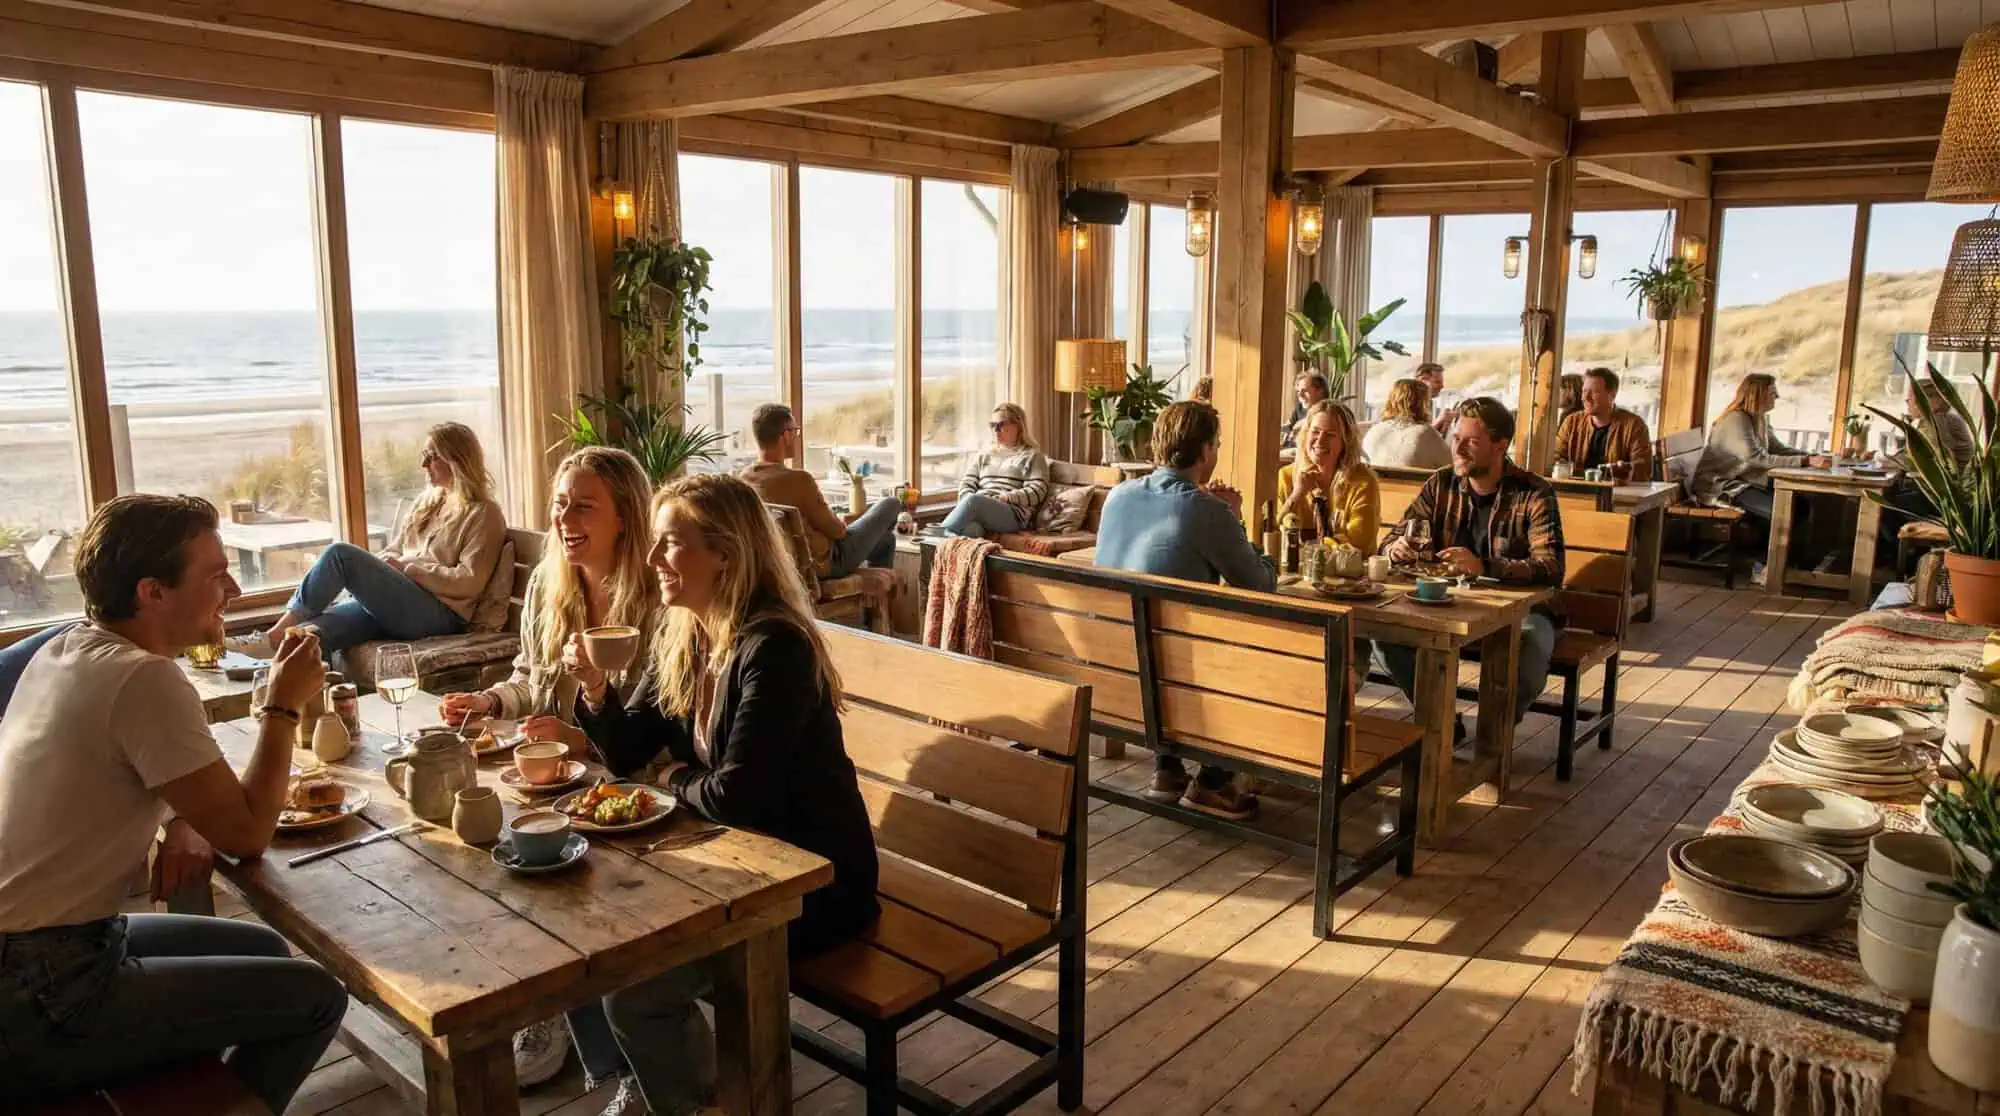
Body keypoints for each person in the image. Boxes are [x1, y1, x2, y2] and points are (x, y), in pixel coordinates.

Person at [0, 494, 345, 1111]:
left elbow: (137, 776)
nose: (234, 588)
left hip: (48, 950)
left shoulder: (66, 648)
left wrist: (183, 818)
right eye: (215, 574)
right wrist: (281, 703)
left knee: (264, 950)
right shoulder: (143, 679)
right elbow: (245, 834)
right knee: (317, 995)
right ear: (152, 591)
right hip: (44, 987)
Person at [563, 474, 879, 1116]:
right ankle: (682, 1087)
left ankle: (702, 1100)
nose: (652, 561)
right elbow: (626, 750)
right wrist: (596, 688)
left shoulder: (775, 647)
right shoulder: (687, 634)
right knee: (578, 929)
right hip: (736, 867)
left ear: (726, 554)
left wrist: (669, 779)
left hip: (811, 885)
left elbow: (737, 796)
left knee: (635, 994)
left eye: (670, 545)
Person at [437, 447, 660, 1089]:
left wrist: (582, 741)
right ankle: (556, 1013)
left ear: (626, 517)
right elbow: (530, 679)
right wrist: (490, 701)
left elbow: (654, 725)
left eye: (584, 505)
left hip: (630, 785)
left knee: (550, 877)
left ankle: (602, 1055)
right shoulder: (549, 582)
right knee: (482, 850)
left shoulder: (654, 599)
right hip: (561, 779)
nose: (565, 517)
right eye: (560, 503)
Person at [1096, 401, 1273, 820]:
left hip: (1113, 663)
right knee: (1262, 658)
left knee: (1156, 637)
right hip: (1178, 672)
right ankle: (1213, 782)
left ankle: (1167, 768)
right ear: (1207, 451)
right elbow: (1260, 584)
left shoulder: (1117, 496)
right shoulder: (1207, 509)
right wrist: (1236, 517)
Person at [231, 421, 507, 657]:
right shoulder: (428, 502)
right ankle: (273, 672)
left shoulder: (484, 514)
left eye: (432, 457)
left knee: (340, 555)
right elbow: (395, 548)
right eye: (424, 455)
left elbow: (469, 582)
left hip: (440, 614)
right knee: (313, 634)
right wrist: (380, 574)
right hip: (400, 600)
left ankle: (272, 636)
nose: (424, 464)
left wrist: (408, 569)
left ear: (457, 460)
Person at [1375, 398, 1566, 736]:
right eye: (1456, 438)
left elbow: (1550, 567)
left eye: (1471, 441)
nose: (1458, 448)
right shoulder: (1441, 484)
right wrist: (1396, 549)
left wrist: (1484, 566)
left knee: (1531, 646)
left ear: (1499, 445)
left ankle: (1493, 738)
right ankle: (1442, 718)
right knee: (1386, 636)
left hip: (1519, 612)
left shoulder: (1534, 493)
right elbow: (1391, 539)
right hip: (1443, 604)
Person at [739, 403, 901, 578]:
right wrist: (842, 522)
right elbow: (838, 532)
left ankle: (876, 603)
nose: (796, 437)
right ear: (785, 435)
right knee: (891, 503)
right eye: (795, 431)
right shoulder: (799, 480)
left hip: (783, 568)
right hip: (829, 562)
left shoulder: (744, 480)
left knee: (886, 540)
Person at [1692, 374, 1832, 526]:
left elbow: (1778, 449)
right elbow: (1756, 458)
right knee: (1786, 513)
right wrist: (1805, 461)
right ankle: (1771, 549)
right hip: (1723, 486)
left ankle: (1788, 549)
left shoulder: (1759, 418)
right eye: (1772, 392)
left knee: (1804, 503)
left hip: (1746, 481)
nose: (1777, 396)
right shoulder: (1736, 419)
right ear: (1757, 394)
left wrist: (1813, 457)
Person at [1278, 401, 1381, 551]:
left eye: (1330, 435)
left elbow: (1359, 541)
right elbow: (1274, 529)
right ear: (1306, 435)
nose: (1320, 441)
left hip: (1349, 572)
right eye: (1315, 432)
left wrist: (1310, 549)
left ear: (1345, 442)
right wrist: (1296, 495)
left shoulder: (1363, 482)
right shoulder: (1286, 476)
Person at [940, 403, 1049, 537]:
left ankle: (937, 536)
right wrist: (970, 498)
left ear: (1018, 426)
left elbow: (1038, 490)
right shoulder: (984, 454)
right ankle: (948, 542)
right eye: (992, 425)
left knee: (973, 500)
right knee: (973, 530)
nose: (996, 430)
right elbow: (967, 483)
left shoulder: (1033, 456)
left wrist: (1009, 497)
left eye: (1002, 425)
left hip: (1012, 513)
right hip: (982, 506)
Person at [1554, 368, 1654, 481]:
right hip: (1578, 492)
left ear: (1612, 395)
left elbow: (1643, 468)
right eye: (1584, 391)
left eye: (1594, 392)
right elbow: (1556, 455)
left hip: (1617, 494)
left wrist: (1622, 470)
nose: (1585, 398)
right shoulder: (1571, 422)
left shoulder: (1634, 425)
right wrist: (1559, 464)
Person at [1361, 378, 1452, 470]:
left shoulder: (1374, 430)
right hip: (1414, 484)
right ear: (1423, 404)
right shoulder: (1425, 433)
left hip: (1375, 484)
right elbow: (1451, 466)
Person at [1282, 371, 1331, 450]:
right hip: (1290, 450)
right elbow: (1289, 427)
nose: (1300, 395)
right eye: (1298, 391)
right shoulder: (1300, 408)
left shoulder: (1328, 411)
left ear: (1320, 391)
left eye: (1304, 391)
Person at [1416, 362, 1452, 436]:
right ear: (1422, 381)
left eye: (1442, 382)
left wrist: (1445, 424)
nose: (1442, 386)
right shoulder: (1410, 405)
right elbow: (1417, 437)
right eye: (1437, 382)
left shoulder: (1430, 404)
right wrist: (1440, 420)